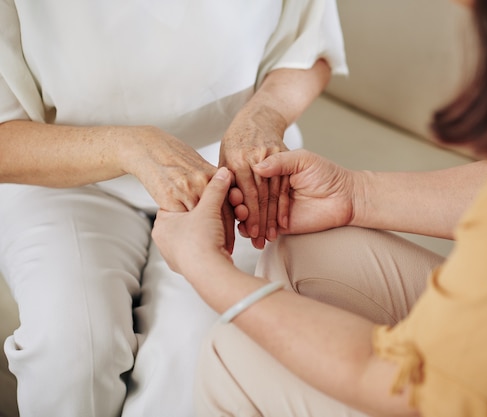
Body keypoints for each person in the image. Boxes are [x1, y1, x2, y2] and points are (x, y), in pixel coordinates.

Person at [151, 0, 487, 416]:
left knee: (233, 355)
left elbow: (401, 385)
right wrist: (356, 195)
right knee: (311, 251)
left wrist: (209, 271)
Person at [0, 1, 347, 416]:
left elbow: (309, 47)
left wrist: (265, 115)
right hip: (64, 175)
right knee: (67, 353)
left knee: (195, 365)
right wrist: (129, 146)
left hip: (232, 176)